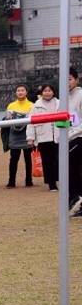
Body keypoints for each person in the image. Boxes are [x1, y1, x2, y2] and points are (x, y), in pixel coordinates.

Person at [26, 84, 59, 191]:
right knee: (47, 161)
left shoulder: (60, 103)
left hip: (58, 136)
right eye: (45, 91)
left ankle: (59, 179)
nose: (47, 93)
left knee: (57, 160)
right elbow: (30, 123)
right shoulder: (35, 106)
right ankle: (51, 184)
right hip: (43, 137)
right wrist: (30, 137)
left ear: (53, 92)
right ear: (41, 93)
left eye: (49, 90)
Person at [5, 84, 34, 188]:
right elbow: (7, 120)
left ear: (26, 92)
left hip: (27, 134)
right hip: (14, 134)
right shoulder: (11, 105)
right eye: (18, 90)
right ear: (16, 93)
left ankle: (29, 180)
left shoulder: (32, 105)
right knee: (13, 158)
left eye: (22, 90)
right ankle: (11, 181)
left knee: (28, 158)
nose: (20, 92)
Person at [67, 68, 82, 214]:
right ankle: (76, 200)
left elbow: (77, 120)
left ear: (76, 80)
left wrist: (72, 127)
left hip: (79, 137)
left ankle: (74, 197)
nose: (67, 82)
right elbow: (62, 120)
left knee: (71, 169)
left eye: (70, 78)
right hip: (68, 138)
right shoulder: (63, 98)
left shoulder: (80, 95)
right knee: (73, 171)